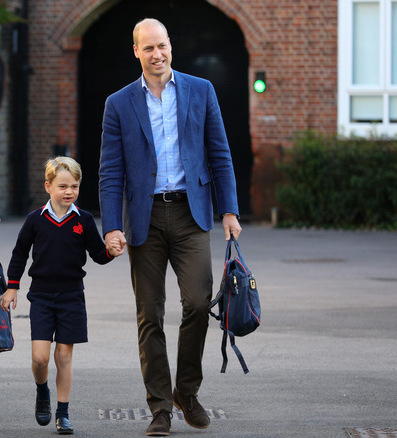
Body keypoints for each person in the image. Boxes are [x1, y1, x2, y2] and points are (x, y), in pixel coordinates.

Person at [98, 18, 243, 436]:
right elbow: (111, 173)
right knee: (150, 315)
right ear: (136, 52)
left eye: (162, 46)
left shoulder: (201, 90)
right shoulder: (118, 103)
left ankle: (187, 392)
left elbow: (220, 154)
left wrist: (229, 210)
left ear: (170, 47)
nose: (157, 54)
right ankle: (160, 406)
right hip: (143, 218)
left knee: (198, 303)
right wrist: (111, 227)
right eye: (148, 48)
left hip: (190, 213)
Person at [1, 156, 116, 435]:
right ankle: (43, 391)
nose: (69, 192)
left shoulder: (84, 220)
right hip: (41, 296)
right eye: (63, 186)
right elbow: (19, 254)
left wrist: (112, 250)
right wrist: (12, 286)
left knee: (63, 356)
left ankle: (63, 414)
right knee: (40, 358)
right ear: (48, 186)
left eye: (74, 186)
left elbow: (98, 255)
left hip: (72, 296)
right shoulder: (35, 220)